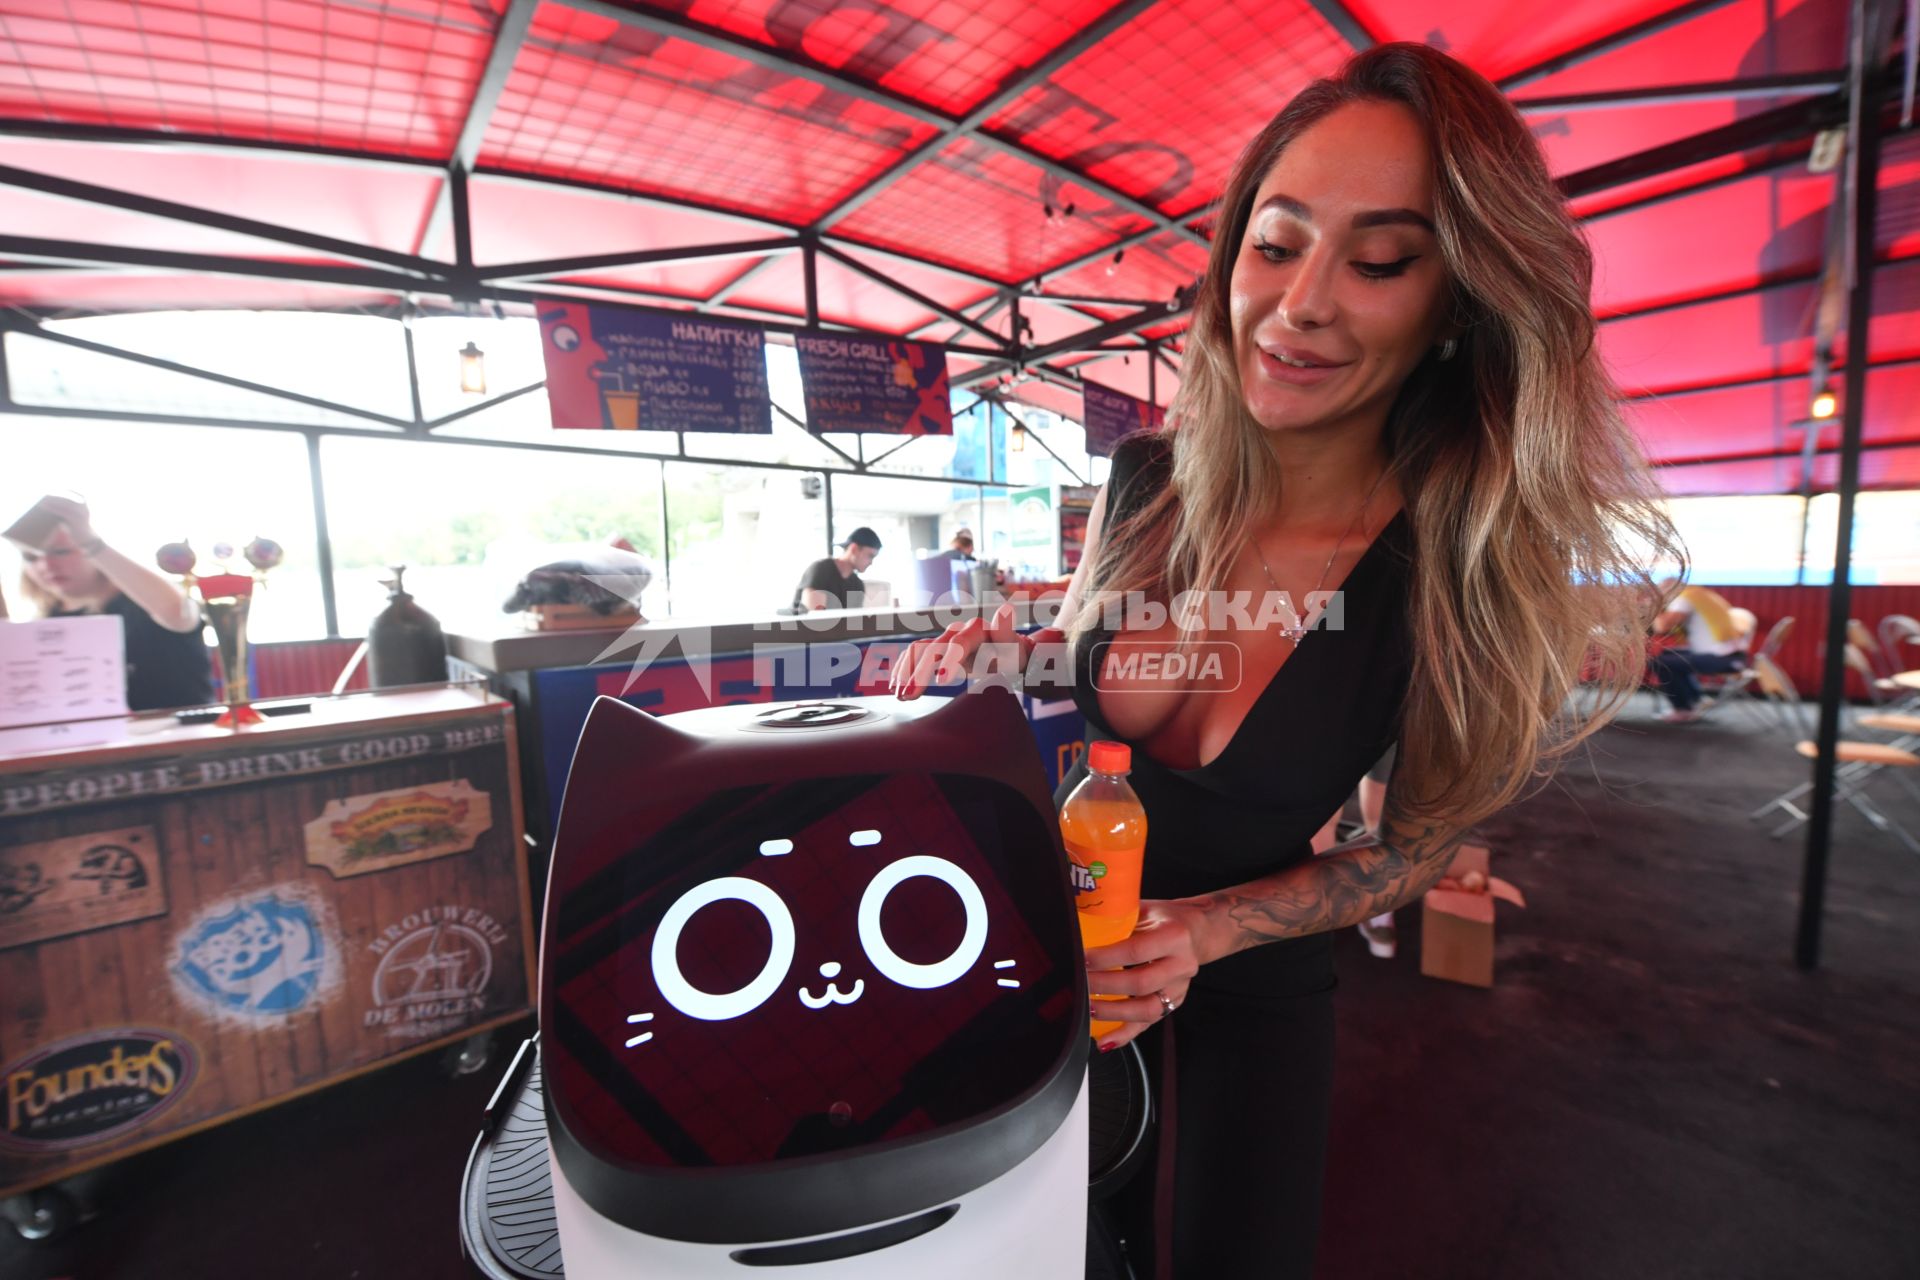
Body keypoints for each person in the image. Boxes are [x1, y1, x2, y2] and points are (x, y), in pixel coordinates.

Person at [893, 43, 1678, 1278]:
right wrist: (1013, 651)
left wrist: (1204, 930)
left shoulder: (1451, 572)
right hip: (1060, 945)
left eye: (1378, 261)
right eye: (1276, 242)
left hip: (1254, 985)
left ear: (1455, 304)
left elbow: (1410, 851)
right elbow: (1107, 657)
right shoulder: (1145, 481)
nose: (1300, 302)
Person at [7, 495, 213, 712]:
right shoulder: (44, 624)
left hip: (178, 739)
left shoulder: (142, 602)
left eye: (61, 551)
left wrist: (88, 541)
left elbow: (177, 612)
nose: (46, 564)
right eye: (31, 557)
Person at [1649, 583, 1750, 723]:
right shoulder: (1704, 594)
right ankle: (1696, 699)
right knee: (1669, 656)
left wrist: (1655, 605)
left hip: (1724, 659)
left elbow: (1662, 626)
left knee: (1660, 662)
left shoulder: (1684, 599)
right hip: (1734, 656)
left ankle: (1683, 709)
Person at [791, 527, 881, 611]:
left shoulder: (857, 585)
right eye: (870, 556)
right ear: (854, 549)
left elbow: (853, 622)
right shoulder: (821, 570)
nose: (871, 562)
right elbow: (814, 620)